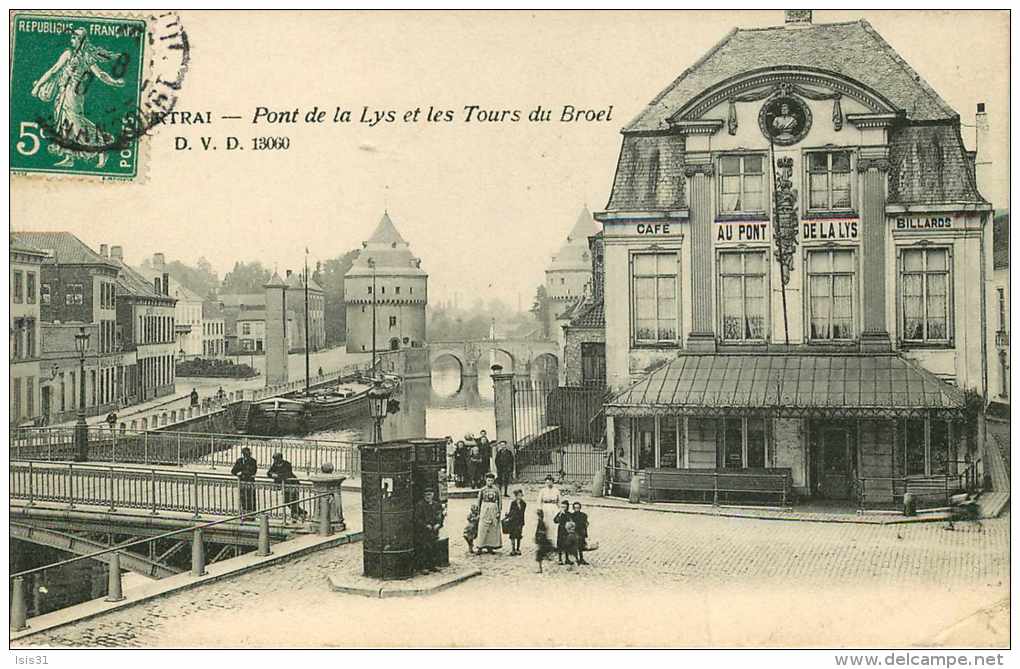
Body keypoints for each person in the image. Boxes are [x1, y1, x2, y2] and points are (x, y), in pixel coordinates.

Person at [267, 452, 306, 522]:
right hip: (285, 486)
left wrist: (277, 475)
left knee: (293, 500)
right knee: (287, 501)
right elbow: (269, 473)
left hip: (293, 484)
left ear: (280, 458)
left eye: (276, 459)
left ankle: (294, 516)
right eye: (274, 459)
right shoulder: (275, 465)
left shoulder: (287, 464)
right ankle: (301, 512)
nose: (275, 461)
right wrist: (272, 474)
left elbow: (287, 474)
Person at [414, 489, 444, 574]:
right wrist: (425, 525)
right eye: (426, 495)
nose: (428, 496)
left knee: (434, 547)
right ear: (424, 496)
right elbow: (417, 518)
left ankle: (433, 565)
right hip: (423, 531)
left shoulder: (436, 505)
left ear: (433, 495)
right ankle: (423, 567)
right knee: (423, 548)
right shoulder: (420, 505)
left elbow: (440, 516)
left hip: (434, 530)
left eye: (429, 494)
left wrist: (438, 524)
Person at [475, 472, 502, 553]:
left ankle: (491, 546)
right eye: (488, 480)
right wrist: (478, 512)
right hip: (484, 509)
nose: (490, 482)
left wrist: (499, 511)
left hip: (493, 508)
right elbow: (479, 501)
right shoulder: (483, 490)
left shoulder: (496, 490)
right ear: (486, 480)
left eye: (491, 480)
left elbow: (500, 501)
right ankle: (480, 546)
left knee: (492, 527)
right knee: (483, 527)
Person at [231, 447, 258, 520]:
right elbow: (233, 471)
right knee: (243, 499)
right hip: (242, 483)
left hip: (250, 482)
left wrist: (242, 472)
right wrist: (237, 473)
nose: (246, 455)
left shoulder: (253, 461)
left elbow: (253, 471)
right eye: (245, 454)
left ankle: (252, 516)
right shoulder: (239, 461)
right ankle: (244, 515)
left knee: (251, 499)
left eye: (248, 454)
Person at [535, 475, 560, 545]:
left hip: (554, 508)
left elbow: (559, 501)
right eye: (547, 482)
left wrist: (559, 510)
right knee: (546, 524)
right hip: (545, 508)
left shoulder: (556, 490)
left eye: (550, 482)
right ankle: (546, 542)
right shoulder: (542, 491)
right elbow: (539, 500)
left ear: (553, 482)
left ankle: (553, 541)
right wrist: (539, 509)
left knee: (553, 524)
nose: (549, 484)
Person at [504, 488, 527, 555]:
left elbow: (522, 512)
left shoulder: (524, 503)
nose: (520, 497)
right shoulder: (513, 503)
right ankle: (513, 549)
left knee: (519, 535)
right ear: (516, 496)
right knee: (512, 535)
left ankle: (518, 549)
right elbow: (511, 511)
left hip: (520, 521)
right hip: (513, 521)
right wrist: (507, 516)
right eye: (518, 495)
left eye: (521, 495)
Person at [554, 500, 573, 564]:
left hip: (567, 531)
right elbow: (555, 521)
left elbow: (571, 521)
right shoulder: (559, 514)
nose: (563, 508)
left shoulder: (569, 514)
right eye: (562, 507)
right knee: (560, 544)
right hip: (560, 530)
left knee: (567, 544)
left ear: (567, 507)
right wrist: (559, 515)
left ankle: (567, 559)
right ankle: (560, 559)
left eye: (564, 507)